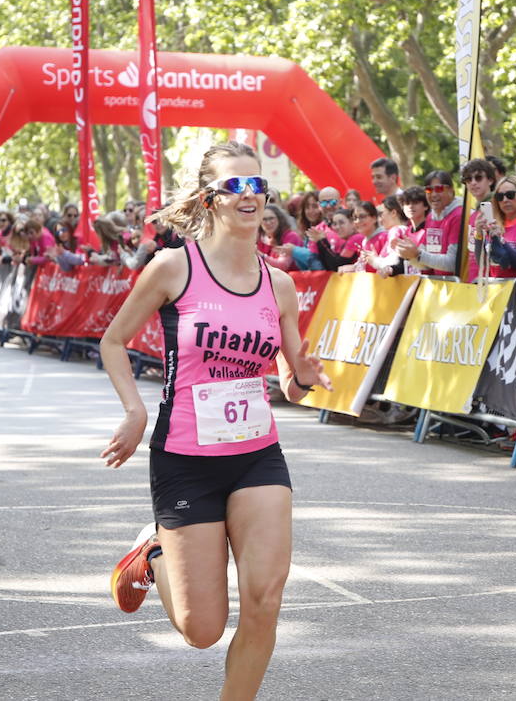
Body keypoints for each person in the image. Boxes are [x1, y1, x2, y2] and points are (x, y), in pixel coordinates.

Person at [98, 141, 331, 701]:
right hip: (185, 459)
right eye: (236, 186)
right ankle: (154, 551)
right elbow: (113, 341)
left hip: (256, 456)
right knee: (202, 631)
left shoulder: (279, 284)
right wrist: (133, 412)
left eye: (258, 186)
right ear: (212, 198)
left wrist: (301, 373)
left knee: (266, 599)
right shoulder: (174, 267)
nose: (250, 196)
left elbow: (293, 385)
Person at [472, 176, 516, 280]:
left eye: (510, 195)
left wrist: (500, 240)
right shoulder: (494, 224)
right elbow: (482, 263)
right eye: (500, 196)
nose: (505, 200)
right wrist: (478, 235)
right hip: (495, 290)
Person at [394, 171, 461, 277]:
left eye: (439, 189)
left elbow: (453, 263)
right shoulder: (430, 217)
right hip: (438, 286)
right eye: (429, 189)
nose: (434, 194)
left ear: (451, 190)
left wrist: (418, 254)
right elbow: (426, 265)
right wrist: (410, 256)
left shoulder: (458, 215)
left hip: (459, 287)